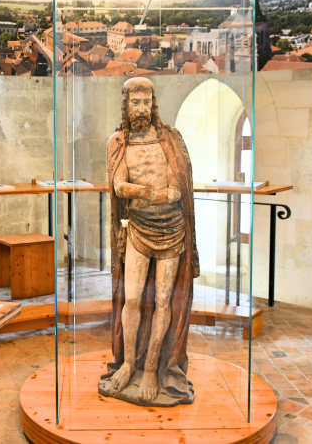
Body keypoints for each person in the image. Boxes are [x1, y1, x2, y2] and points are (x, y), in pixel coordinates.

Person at [100, 77, 199, 405]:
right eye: (135, 102)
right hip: (138, 229)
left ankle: (153, 367)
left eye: (146, 102)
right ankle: (129, 364)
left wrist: (157, 192)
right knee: (131, 300)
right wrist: (142, 191)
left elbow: (177, 185)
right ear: (125, 105)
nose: (141, 108)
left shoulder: (170, 140)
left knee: (162, 302)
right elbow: (117, 185)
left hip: (172, 231)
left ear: (153, 103)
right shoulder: (118, 142)